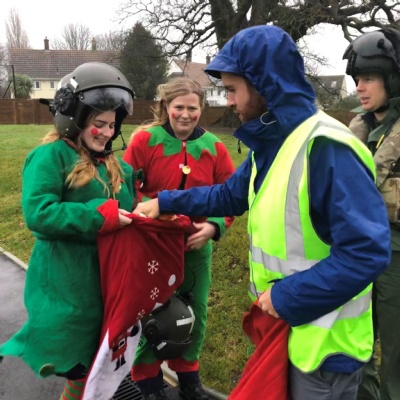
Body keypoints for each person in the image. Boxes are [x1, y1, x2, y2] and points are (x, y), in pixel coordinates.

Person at [132, 25, 392, 400]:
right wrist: (166, 202)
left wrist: (286, 298)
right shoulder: (272, 143)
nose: (229, 101)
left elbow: (367, 252)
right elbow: (229, 195)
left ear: (263, 85)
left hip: (324, 350)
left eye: (233, 89)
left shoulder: (327, 147)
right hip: (286, 331)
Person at [0, 62, 136, 400]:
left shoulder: (114, 164)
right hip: (67, 282)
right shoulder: (50, 156)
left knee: (96, 362)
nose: (106, 133)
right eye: (98, 124)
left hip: (106, 280)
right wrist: (99, 216)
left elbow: (130, 206)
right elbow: (39, 213)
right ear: (72, 118)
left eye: (112, 125)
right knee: (76, 361)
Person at [123, 77, 235, 400]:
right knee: (152, 312)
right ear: (166, 107)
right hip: (153, 247)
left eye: (192, 108)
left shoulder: (214, 147)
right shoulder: (145, 140)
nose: (185, 115)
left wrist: (213, 226)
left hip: (195, 249)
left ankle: (188, 378)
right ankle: (148, 381)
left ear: (202, 108)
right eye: (179, 107)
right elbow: (125, 187)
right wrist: (146, 214)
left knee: (195, 314)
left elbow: (230, 195)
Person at [343, 28, 400, 400]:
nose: (359, 88)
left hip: (396, 254)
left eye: (368, 78)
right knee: (357, 340)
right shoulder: (356, 130)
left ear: (391, 80)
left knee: (396, 349)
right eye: (356, 79)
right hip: (357, 249)